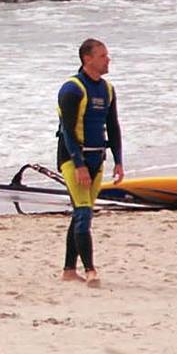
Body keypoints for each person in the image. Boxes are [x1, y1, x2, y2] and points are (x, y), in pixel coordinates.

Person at [57, 38, 122, 283]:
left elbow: (113, 127)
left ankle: (68, 271)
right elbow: (67, 131)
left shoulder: (107, 89)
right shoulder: (72, 89)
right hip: (73, 159)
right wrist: (80, 165)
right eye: (103, 56)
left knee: (81, 214)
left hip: (97, 158)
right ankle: (90, 271)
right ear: (88, 59)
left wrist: (118, 160)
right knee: (84, 213)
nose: (108, 60)